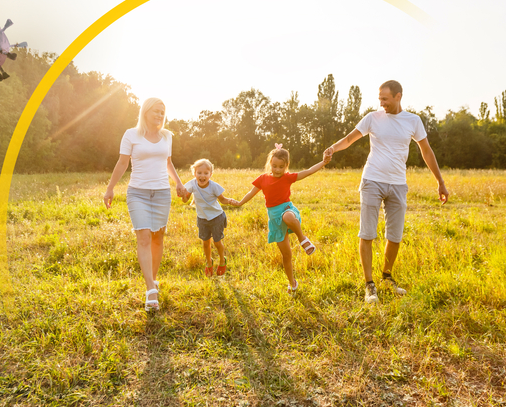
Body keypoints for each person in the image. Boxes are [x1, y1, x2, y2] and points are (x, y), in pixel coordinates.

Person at [325, 80, 449, 303]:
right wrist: (333, 148)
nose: (381, 103)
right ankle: (369, 285)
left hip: (398, 184)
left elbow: (427, 152)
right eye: (380, 99)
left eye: (385, 99)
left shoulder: (413, 120)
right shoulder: (373, 118)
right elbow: (350, 139)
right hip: (372, 180)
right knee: (367, 234)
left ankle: (387, 277)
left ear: (398, 96)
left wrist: (440, 181)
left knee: (395, 236)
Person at [103, 97, 186, 311]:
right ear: (146, 112)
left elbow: (168, 162)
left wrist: (178, 183)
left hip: (161, 193)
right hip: (137, 193)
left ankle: (152, 282)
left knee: (158, 237)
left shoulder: (167, 136)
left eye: (162, 112)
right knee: (144, 236)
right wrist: (110, 188)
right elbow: (122, 162)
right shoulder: (131, 135)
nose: (159, 115)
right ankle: (151, 290)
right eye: (156, 111)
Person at [231, 144, 330, 293]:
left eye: (281, 167)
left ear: (286, 166)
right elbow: (251, 193)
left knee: (288, 217)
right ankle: (292, 282)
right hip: (273, 217)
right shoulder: (263, 179)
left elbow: (308, 171)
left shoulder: (287, 177)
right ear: (270, 164)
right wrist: (239, 203)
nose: (277, 170)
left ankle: (303, 239)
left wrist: (323, 163)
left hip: (286, 209)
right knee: (286, 255)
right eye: (274, 166)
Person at [180, 159, 238, 277]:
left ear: (210, 174)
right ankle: (209, 262)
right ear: (194, 173)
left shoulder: (214, 186)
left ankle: (222, 261)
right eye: (199, 173)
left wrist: (231, 201)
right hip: (202, 219)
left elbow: (222, 200)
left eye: (206, 173)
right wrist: (182, 195)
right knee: (206, 243)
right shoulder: (191, 184)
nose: (202, 176)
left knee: (217, 242)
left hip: (217, 217)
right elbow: (185, 200)